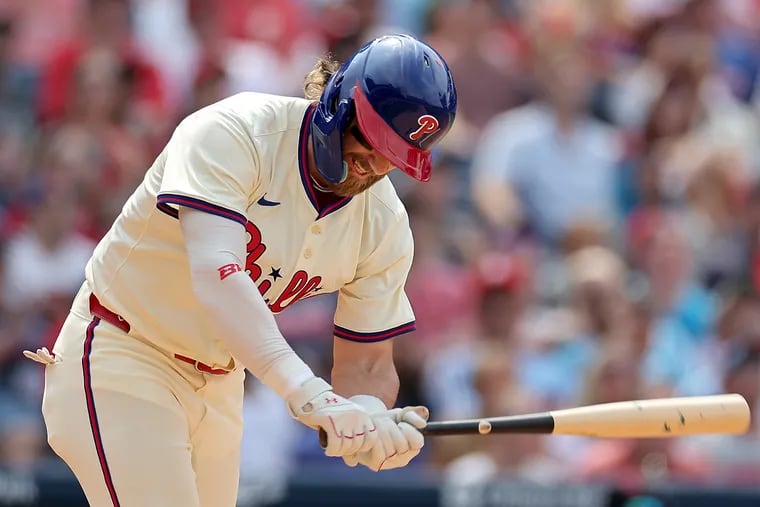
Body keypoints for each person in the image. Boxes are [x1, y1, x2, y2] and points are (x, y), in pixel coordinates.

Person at [22, 34, 457, 506]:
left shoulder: (384, 222)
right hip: (125, 352)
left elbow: (367, 363)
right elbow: (217, 274)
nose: (373, 165)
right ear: (339, 100)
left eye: (393, 157)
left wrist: (368, 416)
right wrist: (306, 391)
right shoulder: (237, 130)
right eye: (372, 139)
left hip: (222, 383)